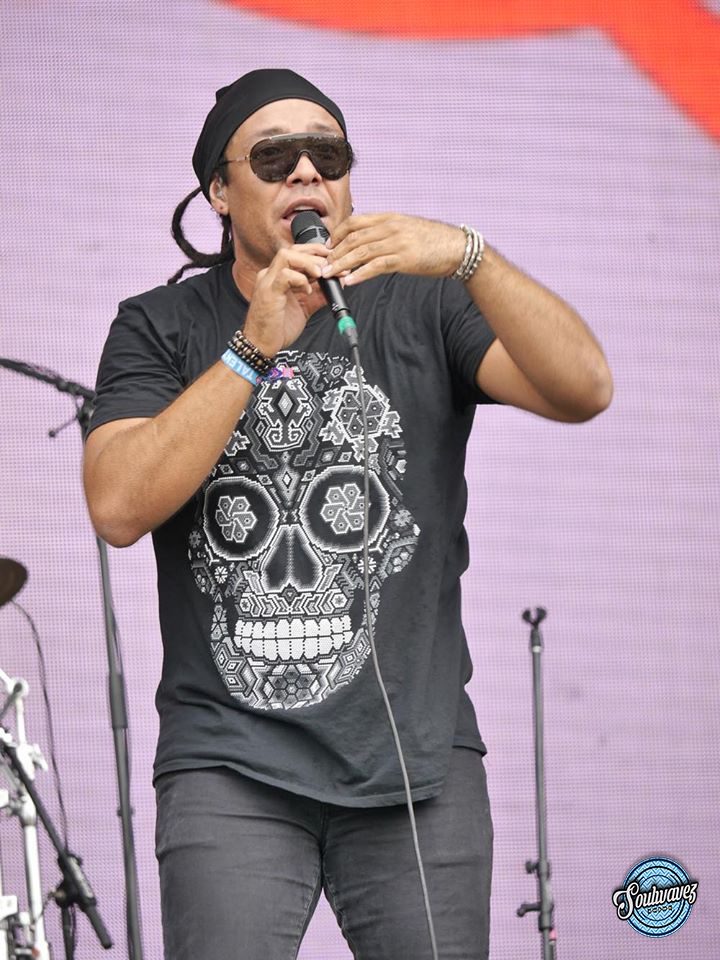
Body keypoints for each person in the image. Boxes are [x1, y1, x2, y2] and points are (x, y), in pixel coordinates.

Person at [83, 69, 612, 960]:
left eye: (326, 155)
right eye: (274, 157)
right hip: (230, 763)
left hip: (416, 764)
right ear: (219, 191)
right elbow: (117, 506)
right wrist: (252, 348)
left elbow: (584, 388)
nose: (305, 172)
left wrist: (472, 258)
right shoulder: (160, 324)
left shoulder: (425, 302)